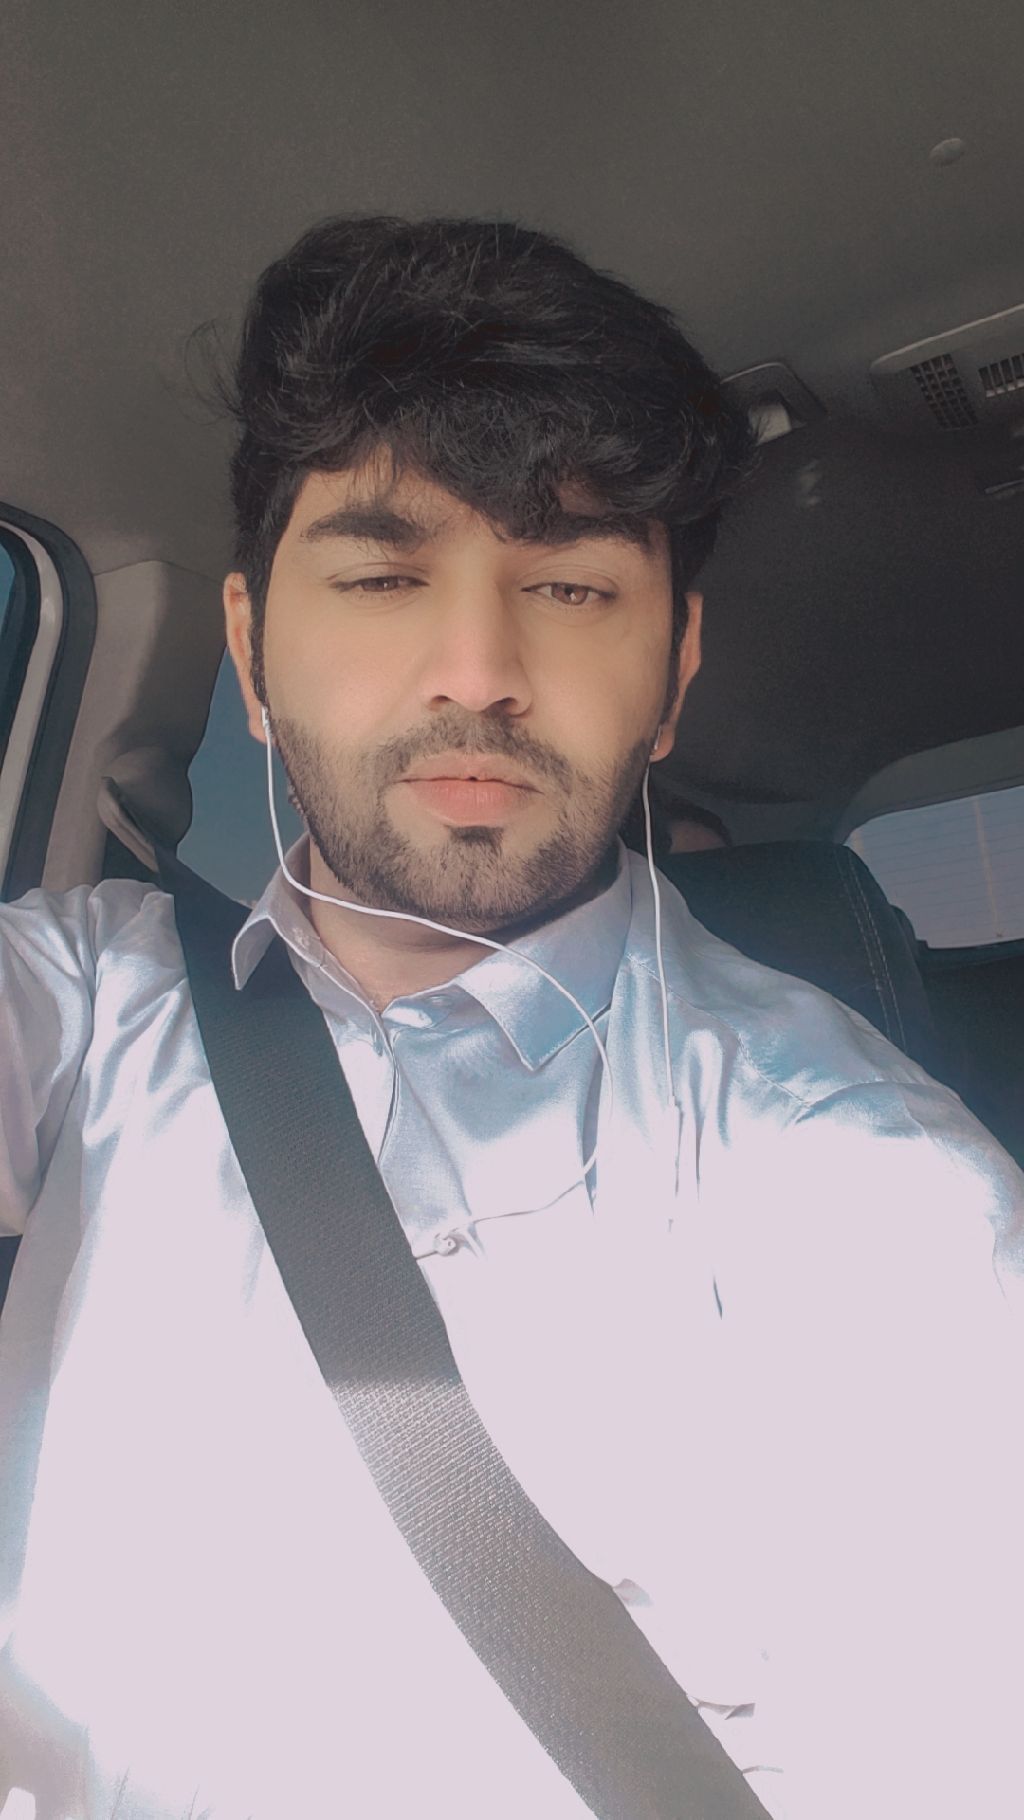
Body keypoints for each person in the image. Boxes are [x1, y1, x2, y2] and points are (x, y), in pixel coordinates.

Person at [0, 215, 1022, 1820]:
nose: (477, 671)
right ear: (252, 654)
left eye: (569, 582)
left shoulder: (868, 1185)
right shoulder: (81, 999)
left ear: (674, 669)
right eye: (381, 576)